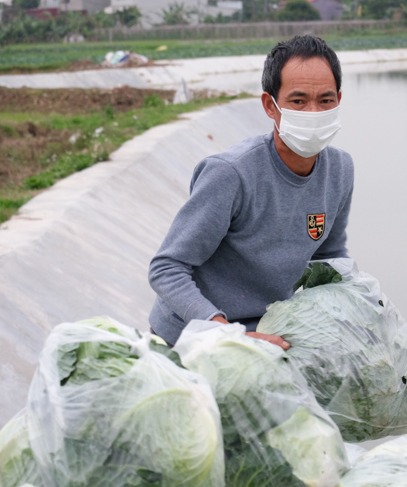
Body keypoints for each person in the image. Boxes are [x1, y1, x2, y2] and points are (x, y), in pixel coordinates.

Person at [148, 35, 354, 350]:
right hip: (194, 338)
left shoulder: (340, 169)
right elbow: (167, 268)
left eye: (325, 100)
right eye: (298, 101)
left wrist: (357, 312)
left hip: (270, 333)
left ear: (338, 99)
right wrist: (224, 335)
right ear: (270, 105)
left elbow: (329, 259)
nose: (313, 112)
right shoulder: (231, 174)